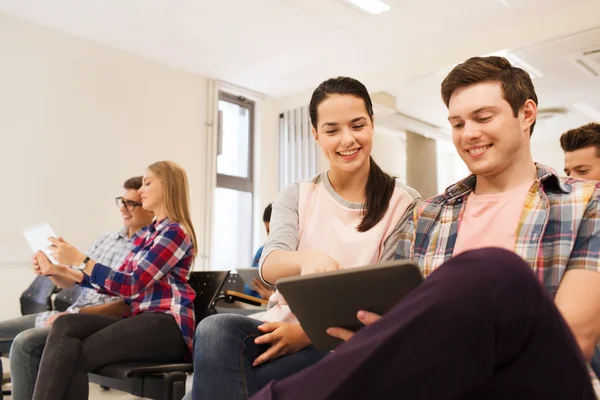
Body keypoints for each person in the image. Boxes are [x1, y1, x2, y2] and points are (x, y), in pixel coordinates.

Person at [250, 56, 600, 399]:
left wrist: (415, 342)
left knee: (496, 269)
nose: (469, 134)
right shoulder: (427, 215)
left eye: (482, 118)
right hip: (432, 382)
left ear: (526, 114)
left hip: (532, 383)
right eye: (458, 123)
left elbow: (573, 338)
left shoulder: (585, 203)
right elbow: (388, 323)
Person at [184, 77, 421, 399]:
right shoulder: (297, 194)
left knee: (228, 381)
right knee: (213, 329)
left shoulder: (403, 202)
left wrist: (308, 333)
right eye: (332, 130)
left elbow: (392, 299)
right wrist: (307, 259)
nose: (347, 140)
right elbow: (270, 265)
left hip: (344, 342)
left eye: (357, 125)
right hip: (275, 328)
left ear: (372, 124)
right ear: (315, 134)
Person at [31, 161, 197, 400]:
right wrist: (63, 269)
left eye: (147, 183)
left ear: (168, 187)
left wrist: (81, 258)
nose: (140, 190)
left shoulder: (175, 232)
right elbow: (114, 281)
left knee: (71, 354)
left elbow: (131, 285)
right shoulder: (149, 235)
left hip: (166, 327)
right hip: (143, 321)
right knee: (64, 326)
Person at [1, 176, 154, 400]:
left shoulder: (148, 246)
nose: (124, 208)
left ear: (149, 208)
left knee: (25, 344)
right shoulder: (106, 238)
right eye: (122, 201)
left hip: (90, 321)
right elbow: (76, 282)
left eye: (132, 203)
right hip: (70, 314)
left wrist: (72, 315)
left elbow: (127, 302)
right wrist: (54, 271)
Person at [245, 203, 274, 299]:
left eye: (273, 231)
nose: (270, 236)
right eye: (267, 231)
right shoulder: (261, 252)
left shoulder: (294, 254)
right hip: (258, 303)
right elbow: (247, 288)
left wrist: (273, 297)